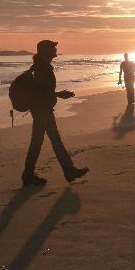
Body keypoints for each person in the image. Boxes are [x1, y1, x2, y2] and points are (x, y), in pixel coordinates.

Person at [22, 40, 89, 186]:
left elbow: (43, 91)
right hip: (41, 110)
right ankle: (28, 175)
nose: (55, 49)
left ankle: (68, 170)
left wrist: (56, 95)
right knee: (39, 143)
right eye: (53, 47)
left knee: (52, 141)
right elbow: (41, 92)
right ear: (47, 51)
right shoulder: (42, 67)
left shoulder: (41, 66)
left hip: (43, 109)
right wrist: (59, 95)